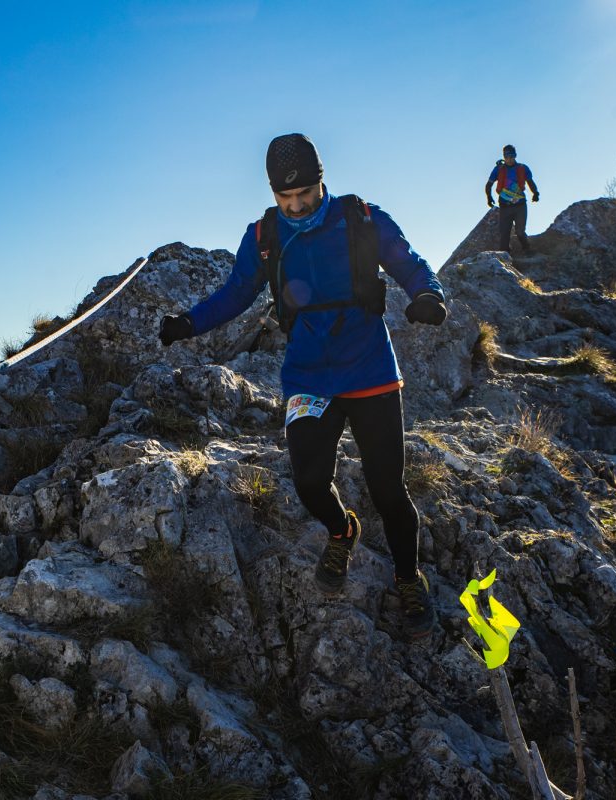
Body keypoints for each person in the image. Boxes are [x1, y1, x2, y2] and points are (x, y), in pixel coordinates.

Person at [157, 133, 447, 641]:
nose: (296, 206)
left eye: (305, 194)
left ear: (321, 181)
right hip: (308, 377)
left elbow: (408, 262)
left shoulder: (361, 218)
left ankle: (408, 578)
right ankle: (342, 531)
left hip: (370, 371)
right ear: (273, 193)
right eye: (285, 197)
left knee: (388, 488)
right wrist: (189, 322)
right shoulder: (264, 236)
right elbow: (236, 293)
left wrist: (427, 294)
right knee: (310, 482)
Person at [486, 144, 540, 254]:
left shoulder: (523, 168)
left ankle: (526, 248)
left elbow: (530, 182)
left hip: (520, 205)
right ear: (504, 156)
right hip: (504, 206)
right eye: (506, 156)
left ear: (515, 155)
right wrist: (489, 197)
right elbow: (489, 185)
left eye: (511, 156)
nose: (509, 159)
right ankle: (506, 255)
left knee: (520, 232)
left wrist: (535, 193)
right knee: (504, 234)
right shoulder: (498, 169)